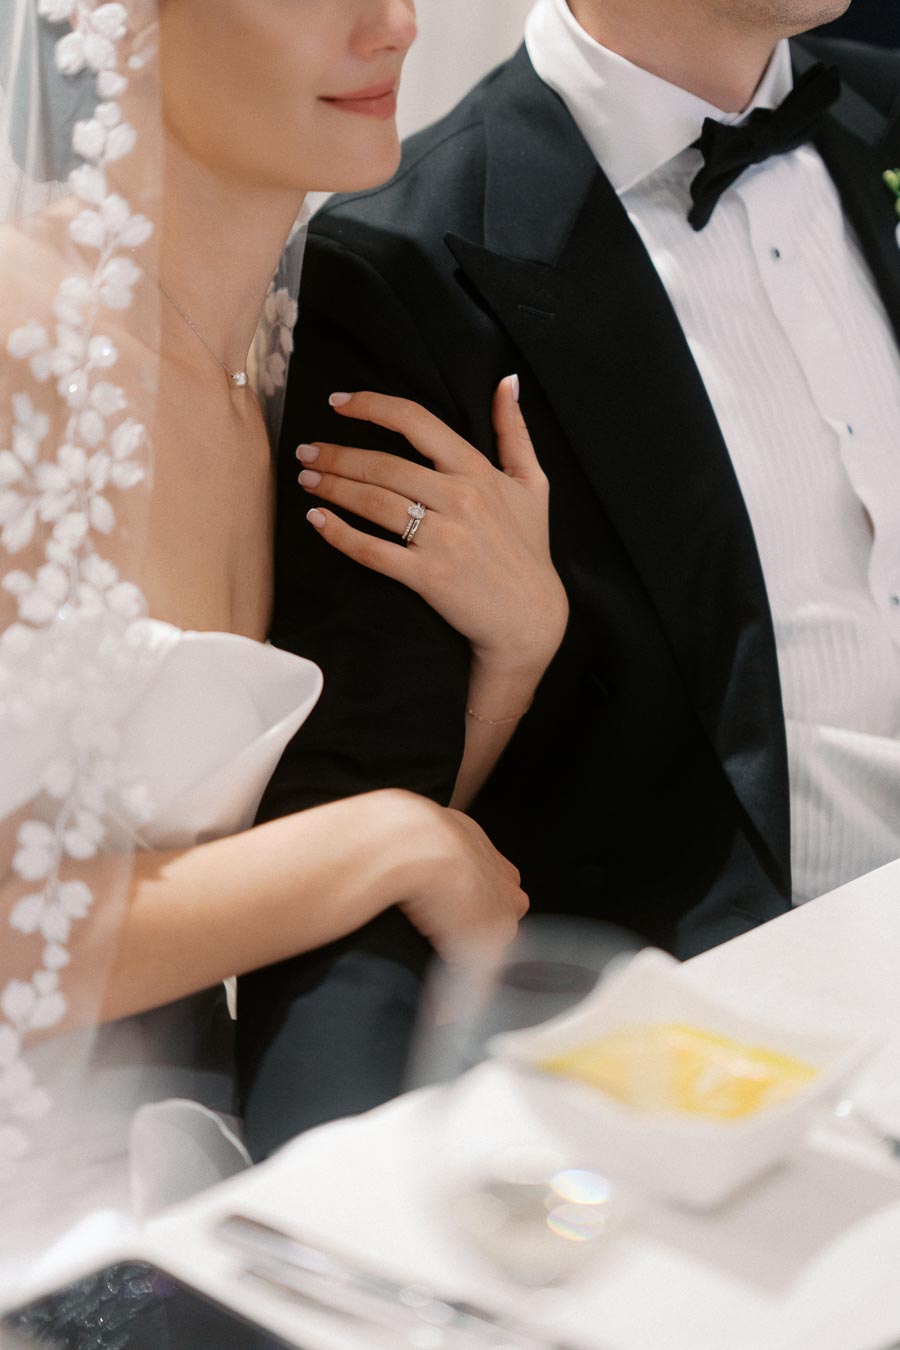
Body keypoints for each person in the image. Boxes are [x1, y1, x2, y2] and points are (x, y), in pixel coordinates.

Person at [236, 0, 900, 1156]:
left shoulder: (873, 111)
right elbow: (357, 832)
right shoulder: (402, 264)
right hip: (722, 1084)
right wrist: (335, 1183)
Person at [0, 0, 568, 1288]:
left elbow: (307, 863)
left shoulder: (306, 354)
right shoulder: (16, 355)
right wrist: (387, 837)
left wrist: (514, 656)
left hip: (210, 1173)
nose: (396, 24)